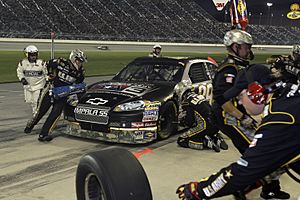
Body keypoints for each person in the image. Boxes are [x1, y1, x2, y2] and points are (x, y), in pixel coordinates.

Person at [176, 64, 299, 200]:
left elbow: (244, 169)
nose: (239, 101)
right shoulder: (287, 95)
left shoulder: (280, 119)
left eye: (240, 95)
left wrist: (199, 190)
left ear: (256, 92)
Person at [211, 29, 289, 199]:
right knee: (257, 153)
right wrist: (242, 117)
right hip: (229, 117)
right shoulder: (229, 68)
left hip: (240, 114)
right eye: (246, 46)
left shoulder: (240, 65)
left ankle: (270, 188)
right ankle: (240, 187)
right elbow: (220, 98)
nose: (249, 50)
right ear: (235, 47)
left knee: (263, 150)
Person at [24, 49, 87, 142]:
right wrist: (48, 75)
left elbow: (78, 85)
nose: (80, 63)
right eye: (79, 60)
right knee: (40, 112)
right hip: (50, 89)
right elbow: (46, 64)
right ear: (74, 58)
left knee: (55, 114)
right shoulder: (61, 62)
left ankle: (44, 134)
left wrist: (75, 96)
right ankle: (30, 125)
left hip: (63, 95)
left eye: (81, 61)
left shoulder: (81, 72)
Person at [176, 86, 228, 153]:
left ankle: (205, 143)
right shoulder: (200, 96)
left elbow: (190, 122)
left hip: (206, 126)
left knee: (181, 140)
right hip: (216, 125)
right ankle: (216, 137)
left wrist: (182, 122)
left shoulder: (186, 102)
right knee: (202, 130)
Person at [17, 45, 47, 116]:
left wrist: (47, 79)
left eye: (34, 55)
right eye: (31, 55)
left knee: (36, 101)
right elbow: (19, 72)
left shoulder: (41, 63)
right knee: (29, 100)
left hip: (38, 86)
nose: (33, 57)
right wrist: (22, 78)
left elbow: (46, 73)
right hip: (27, 86)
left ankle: (35, 113)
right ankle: (35, 111)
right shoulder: (22, 63)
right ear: (27, 55)